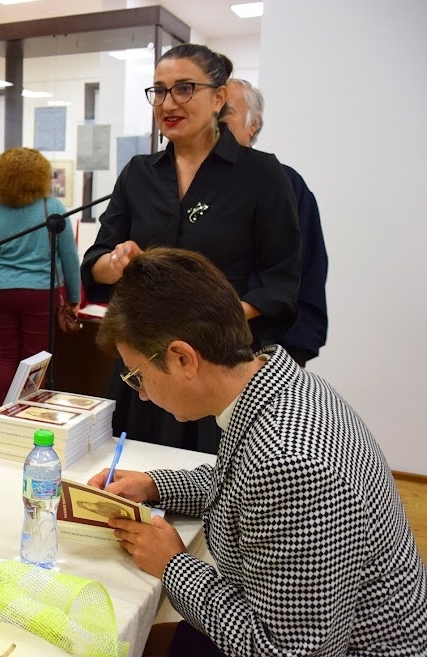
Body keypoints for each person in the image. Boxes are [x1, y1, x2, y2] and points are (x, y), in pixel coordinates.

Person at [87, 247, 427, 657]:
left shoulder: (291, 464)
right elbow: (235, 482)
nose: (139, 394)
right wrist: (154, 484)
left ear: (182, 359)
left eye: (137, 375)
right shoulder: (274, 388)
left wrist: (173, 566)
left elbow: (285, 651)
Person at [81, 43, 300, 453]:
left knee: (210, 487)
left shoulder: (262, 174)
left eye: (184, 88)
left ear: (218, 98)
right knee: (137, 475)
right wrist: (115, 262)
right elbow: (95, 263)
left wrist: (205, 324)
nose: (168, 102)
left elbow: (279, 281)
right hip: (145, 364)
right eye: (159, 91)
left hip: (221, 367)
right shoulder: (138, 174)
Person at [221, 78, 328, 366]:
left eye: (225, 112)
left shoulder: (284, 183)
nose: (214, 121)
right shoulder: (188, 183)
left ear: (252, 124)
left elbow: (303, 273)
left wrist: (288, 353)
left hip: (262, 352)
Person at [0, 147, 81, 404]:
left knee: (7, 355)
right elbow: (69, 256)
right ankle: (29, 416)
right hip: (39, 291)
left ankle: (4, 414)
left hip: (0, 290)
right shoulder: (52, 207)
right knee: (34, 358)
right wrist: (73, 296)